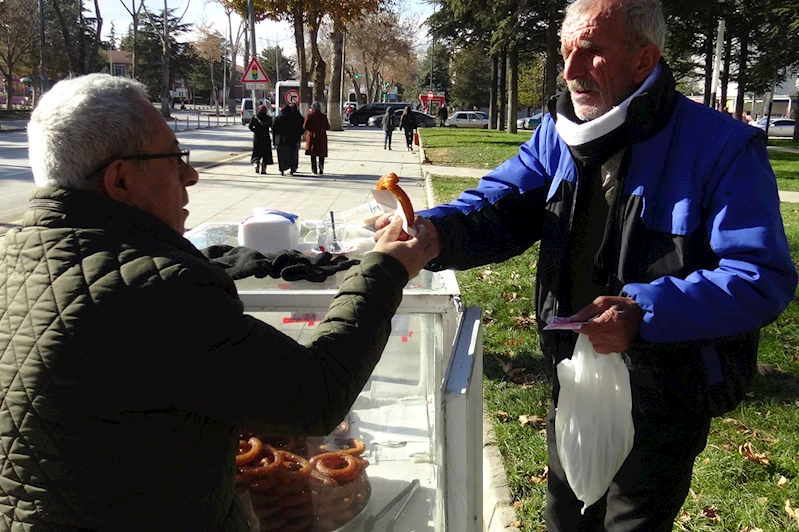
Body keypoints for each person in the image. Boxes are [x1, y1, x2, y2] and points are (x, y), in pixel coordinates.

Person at [377, 0, 797, 530]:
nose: (570, 72)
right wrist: (435, 230)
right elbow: (502, 201)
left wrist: (643, 313)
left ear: (645, 61)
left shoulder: (722, 148)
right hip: (572, 377)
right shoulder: (560, 131)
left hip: (666, 392)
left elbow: (760, 276)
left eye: (592, 52)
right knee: (564, 519)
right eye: (565, 51)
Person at [0, 73, 440, 531]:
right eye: (174, 159)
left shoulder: (12, 259)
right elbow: (316, 395)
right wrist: (386, 269)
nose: (191, 174)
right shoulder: (155, 289)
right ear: (122, 179)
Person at [271, 104, 300, 176]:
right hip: (291, 140)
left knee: (281, 156)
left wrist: (274, 140)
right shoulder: (292, 118)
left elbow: (273, 129)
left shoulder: (278, 118)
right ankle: (292, 169)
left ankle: (282, 169)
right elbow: (297, 130)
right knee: (292, 155)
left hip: (280, 141)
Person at [303, 101, 330, 175]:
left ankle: (314, 169)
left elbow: (305, 126)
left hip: (312, 136)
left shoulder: (309, 116)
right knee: (321, 152)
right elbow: (327, 127)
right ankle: (321, 164)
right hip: (321, 136)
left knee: (313, 153)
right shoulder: (323, 116)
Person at [248, 104, 273, 174]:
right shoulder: (268, 119)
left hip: (257, 138)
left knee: (256, 153)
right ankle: (264, 169)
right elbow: (272, 127)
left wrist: (256, 131)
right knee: (266, 154)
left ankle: (256, 165)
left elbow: (250, 126)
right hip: (266, 138)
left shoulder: (255, 117)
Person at [290, 103, 305, 174]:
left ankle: (291, 166)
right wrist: (300, 133)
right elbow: (303, 127)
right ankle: (294, 166)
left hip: (289, 137)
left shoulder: (288, 116)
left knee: (290, 152)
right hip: (296, 137)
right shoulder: (299, 116)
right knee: (295, 152)